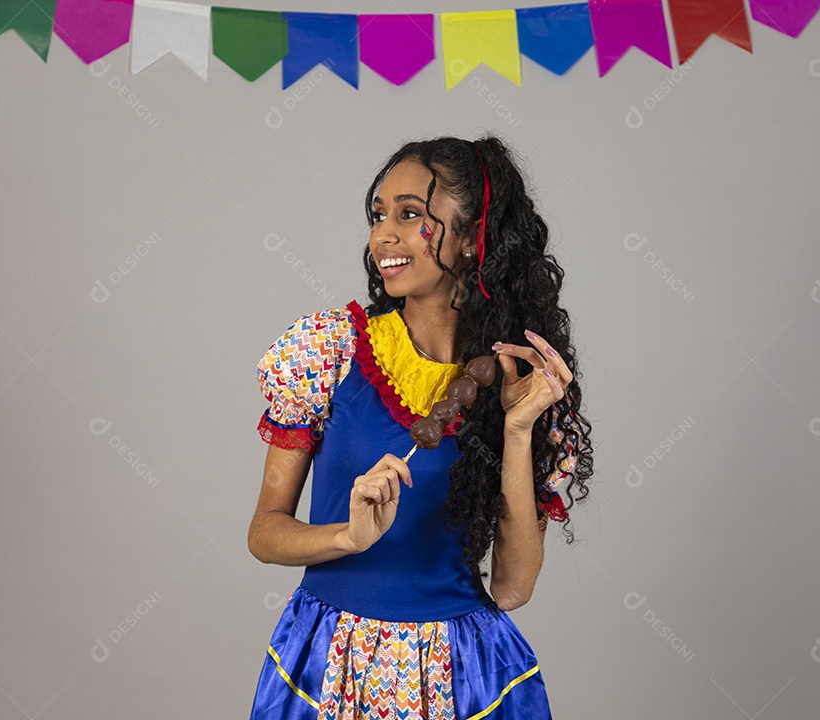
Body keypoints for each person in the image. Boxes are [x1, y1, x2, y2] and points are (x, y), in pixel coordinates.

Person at [247, 134, 593, 719]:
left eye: (411, 215)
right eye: (379, 214)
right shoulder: (328, 350)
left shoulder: (517, 384)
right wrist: (347, 538)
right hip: (332, 666)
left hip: (463, 676)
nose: (384, 234)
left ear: (470, 238)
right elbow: (265, 532)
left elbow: (511, 588)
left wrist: (515, 429)